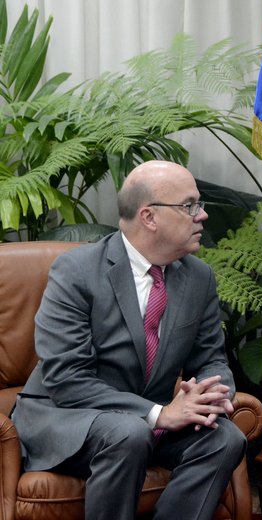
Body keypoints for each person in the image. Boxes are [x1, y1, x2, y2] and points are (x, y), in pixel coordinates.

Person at [11, 160, 247, 520]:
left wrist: (213, 395)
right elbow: (66, 377)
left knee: (225, 438)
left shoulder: (199, 278)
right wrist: (159, 414)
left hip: (143, 423)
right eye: (189, 206)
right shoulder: (77, 272)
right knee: (128, 432)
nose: (202, 216)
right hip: (65, 417)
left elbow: (211, 358)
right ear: (149, 217)